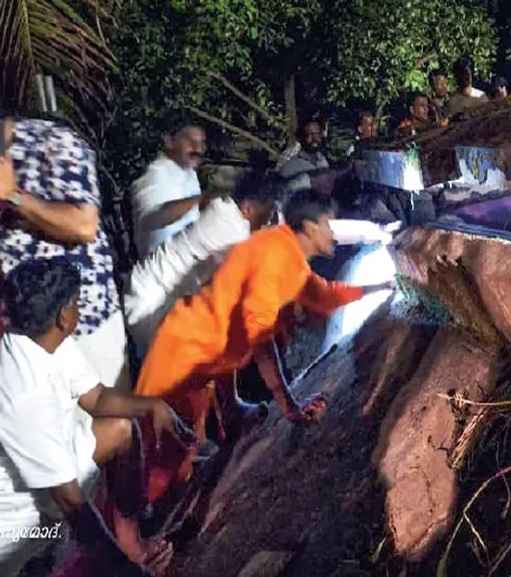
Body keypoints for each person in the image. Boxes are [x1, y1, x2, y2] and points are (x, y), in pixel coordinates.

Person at [134, 188, 394, 504]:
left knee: (177, 449)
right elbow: (260, 341)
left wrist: (380, 286)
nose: (332, 232)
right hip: (184, 355)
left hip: (201, 349)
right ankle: (129, 535)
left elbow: (324, 294)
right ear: (310, 228)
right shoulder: (274, 258)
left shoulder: (289, 256)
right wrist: (290, 406)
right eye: (328, 224)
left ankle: (221, 425)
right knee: (163, 463)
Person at [0, 258, 192, 577]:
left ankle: (131, 541)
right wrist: (127, 573)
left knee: (120, 430)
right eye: (77, 303)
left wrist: (153, 406)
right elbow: (72, 504)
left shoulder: (43, 339)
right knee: (49, 551)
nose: (80, 309)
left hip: (51, 473)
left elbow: (98, 398)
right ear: (63, 316)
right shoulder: (23, 394)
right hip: (15, 520)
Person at [0, 114, 130, 391]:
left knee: (112, 418)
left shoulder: (55, 142)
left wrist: (13, 196)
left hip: (85, 325)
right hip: (25, 334)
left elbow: (84, 225)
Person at [124, 172, 278, 356]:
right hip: (151, 305)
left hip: (147, 289)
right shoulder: (236, 231)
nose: (266, 223)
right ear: (247, 208)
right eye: (266, 217)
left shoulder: (222, 206)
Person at [131, 120, 206, 258]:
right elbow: (155, 218)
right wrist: (201, 200)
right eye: (190, 141)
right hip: (163, 269)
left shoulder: (190, 174)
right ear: (169, 141)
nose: (198, 149)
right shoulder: (155, 175)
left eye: (201, 143)